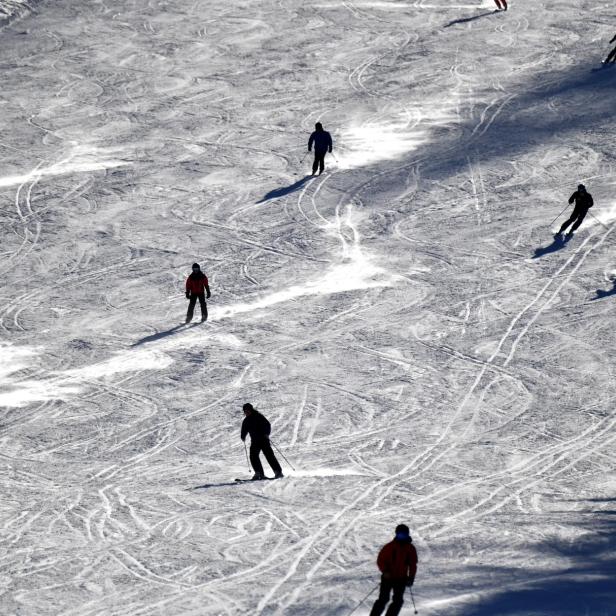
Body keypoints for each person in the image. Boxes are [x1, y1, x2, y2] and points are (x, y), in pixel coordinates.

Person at [369, 524, 418, 616]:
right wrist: (385, 571)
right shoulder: (389, 547)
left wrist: (411, 578)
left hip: (401, 579)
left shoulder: (411, 549)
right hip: (388, 577)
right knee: (383, 599)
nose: (402, 538)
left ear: (408, 535)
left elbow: (413, 565)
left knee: (398, 601)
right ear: (396, 535)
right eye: (400, 535)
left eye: (404, 535)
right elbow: (380, 560)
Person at [240, 403, 283, 480]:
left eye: (248, 410)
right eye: (245, 411)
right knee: (253, 456)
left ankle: (278, 472)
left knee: (269, 455)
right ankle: (259, 473)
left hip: (263, 439)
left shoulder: (258, 416)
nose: (246, 412)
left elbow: (267, 425)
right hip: (255, 441)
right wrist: (243, 436)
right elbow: (244, 429)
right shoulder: (246, 420)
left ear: (251, 410)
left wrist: (266, 433)